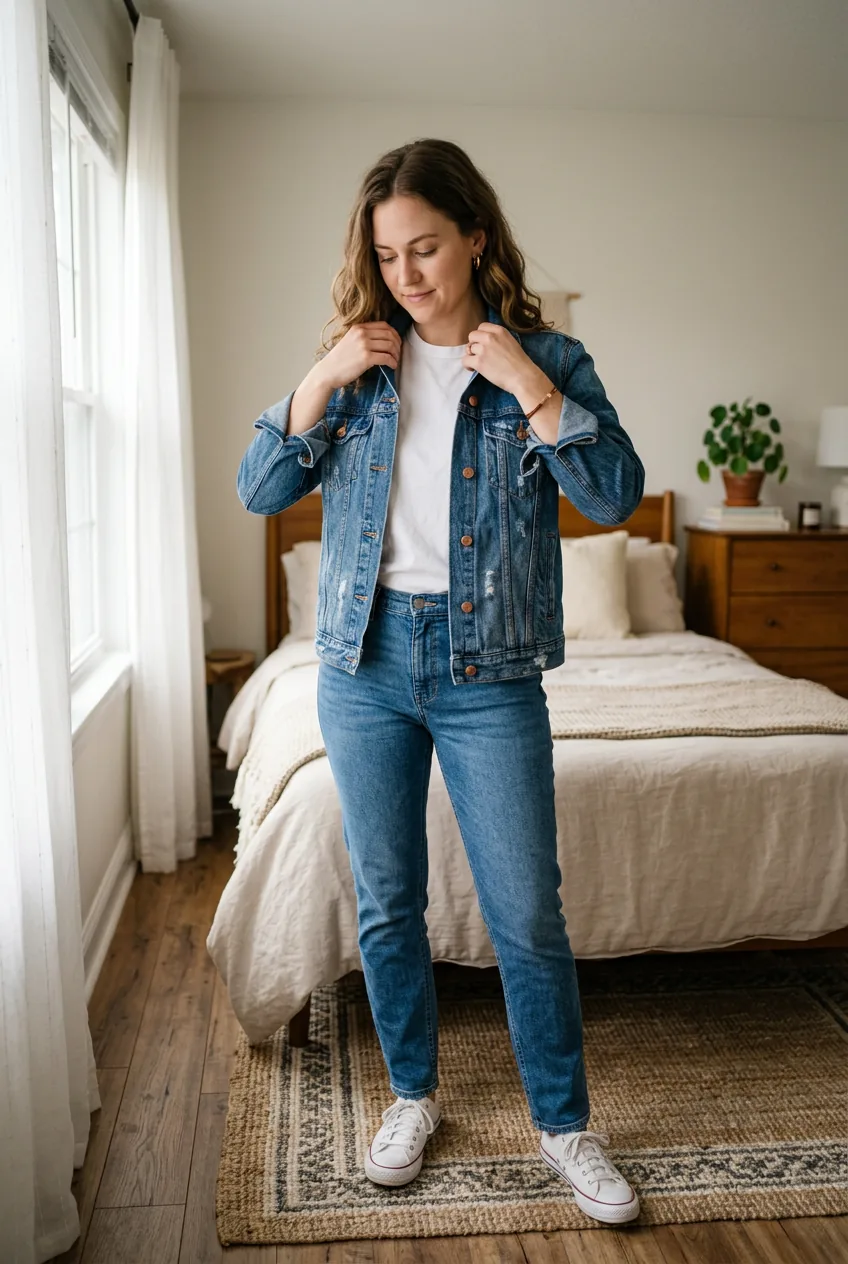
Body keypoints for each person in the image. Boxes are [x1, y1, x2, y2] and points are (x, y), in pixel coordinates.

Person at [236, 138, 645, 1227]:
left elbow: (612, 497)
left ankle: (563, 1124)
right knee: (388, 903)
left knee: (525, 911)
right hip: (363, 662)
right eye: (387, 254)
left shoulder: (545, 358)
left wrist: (527, 384)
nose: (407, 272)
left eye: (425, 246)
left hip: (487, 671)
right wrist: (320, 377)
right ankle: (412, 1097)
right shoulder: (357, 367)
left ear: (473, 237)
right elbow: (259, 486)